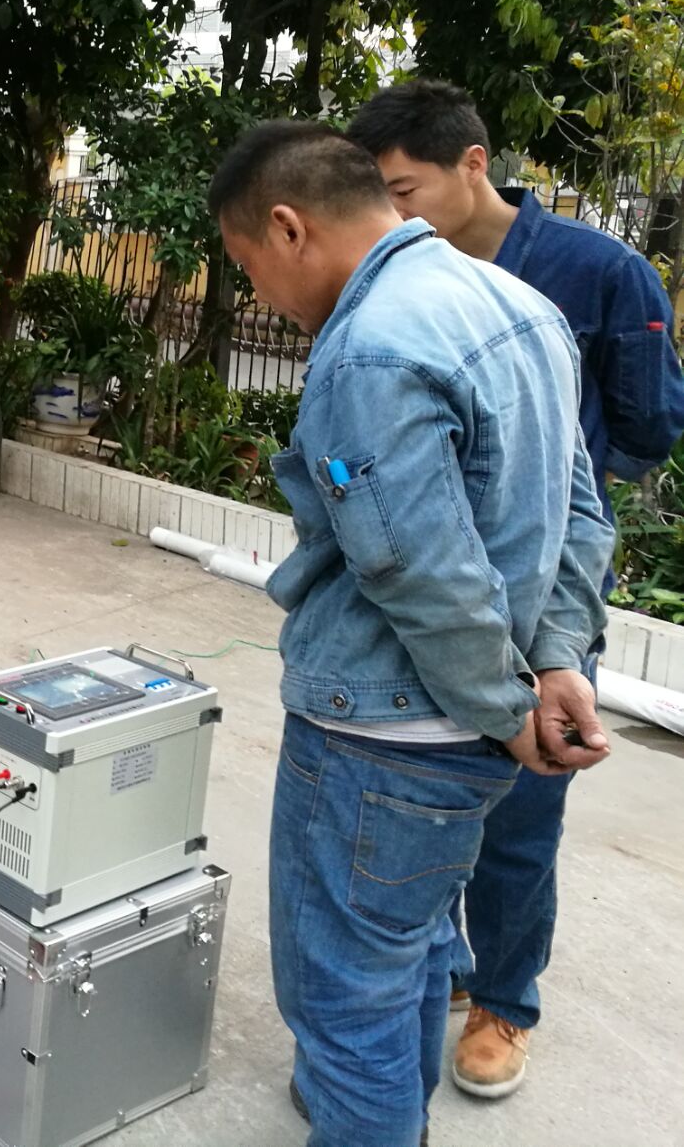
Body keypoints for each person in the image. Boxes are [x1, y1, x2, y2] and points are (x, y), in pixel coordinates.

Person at [207, 121, 617, 1147]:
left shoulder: (371, 346)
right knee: (416, 934)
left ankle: (371, 1116)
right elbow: (580, 510)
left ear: (289, 226)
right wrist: (555, 658)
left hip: (382, 734)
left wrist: (506, 704)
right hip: (469, 733)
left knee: (345, 994)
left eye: (249, 267)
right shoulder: (519, 305)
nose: (258, 295)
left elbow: (416, 567)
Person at [348, 79, 684, 1099]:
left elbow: (648, 427)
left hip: (542, 594)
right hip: (430, 587)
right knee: (422, 781)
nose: (392, 216)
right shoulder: (392, 278)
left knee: (523, 803)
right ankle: (448, 963)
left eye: (404, 190)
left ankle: (505, 998)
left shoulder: (600, 272)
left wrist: (549, 499)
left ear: (474, 164)